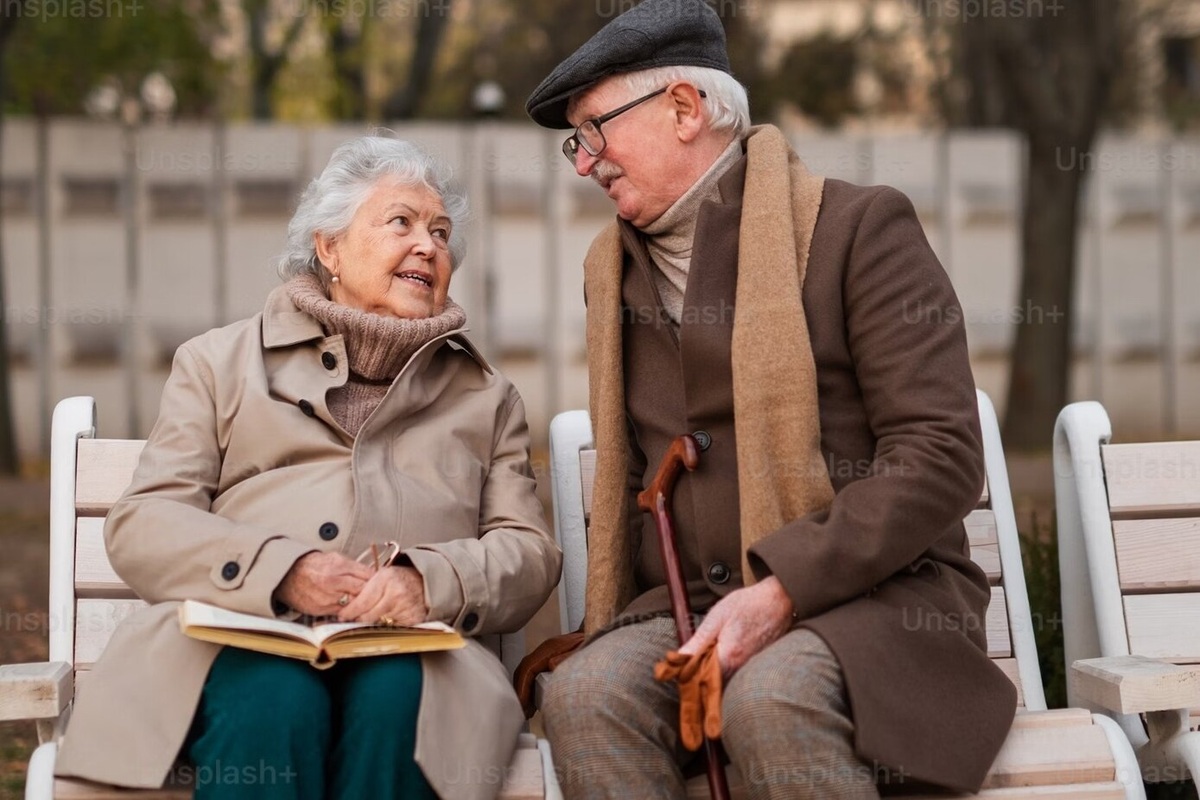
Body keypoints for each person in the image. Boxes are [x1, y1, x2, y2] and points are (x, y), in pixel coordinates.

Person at [524, 1, 1016, 798]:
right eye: (574, 143)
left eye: (593, 130)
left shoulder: (859, 229)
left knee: (770, 692)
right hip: (688, 607)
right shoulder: (609, 272)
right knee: (583, 696)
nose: (585, 163)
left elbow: (940, 456)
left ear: (684, 108)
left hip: (876, 600)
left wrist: (782, 589)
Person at [54, 135, 562, 800]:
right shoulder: (217, 363)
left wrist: (426, 580)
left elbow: (526, 552)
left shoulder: (487, 398)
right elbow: (143, 522)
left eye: (440, 232)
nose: (429, 246)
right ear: (329, 248)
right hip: (238, 636)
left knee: (396, 706)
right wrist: (283, 569)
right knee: (273, 700)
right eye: (400, 223)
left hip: (413, 652)